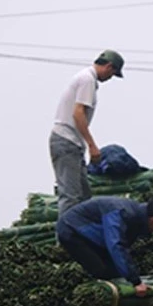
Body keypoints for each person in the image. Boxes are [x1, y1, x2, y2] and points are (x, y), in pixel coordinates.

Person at [50, 50, 125, 216]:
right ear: (109, 66)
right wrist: (92, 145)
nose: (110, 77)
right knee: (70, 196)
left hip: (72, 143)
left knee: (84, 197)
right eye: (112, 73)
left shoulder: (86, 79)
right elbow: (78, 113)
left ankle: (80, 236)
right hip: (65, 141)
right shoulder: (87, 79)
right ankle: (65, 238)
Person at [56, 196, 153, 297]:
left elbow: (123, 249)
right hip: (72, 230)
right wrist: (136, 282)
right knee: (101, 270)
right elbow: (116, 245)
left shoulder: (138, 219)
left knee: (116, 272)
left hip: (95, 236)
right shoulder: (122, 213)